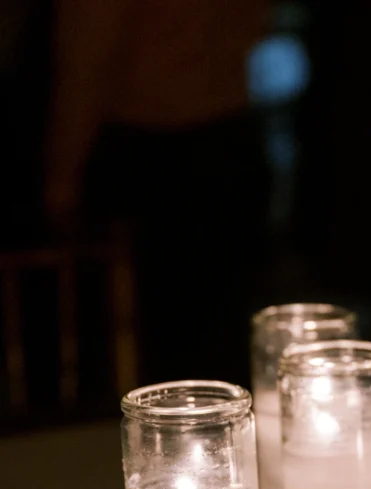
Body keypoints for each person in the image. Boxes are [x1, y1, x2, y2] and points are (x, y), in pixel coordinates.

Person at [45, 0, 269, 385]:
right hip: (228, 138)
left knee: (151, 334)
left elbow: (88, 59)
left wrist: (61, 174)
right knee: (217, 326)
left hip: (154, 152)